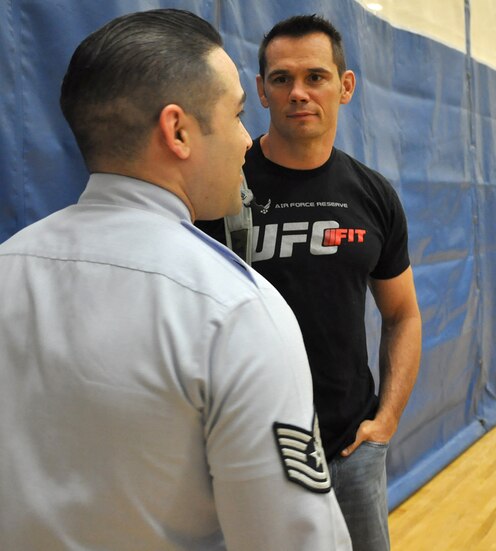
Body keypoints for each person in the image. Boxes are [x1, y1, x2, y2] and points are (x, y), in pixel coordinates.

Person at [0, 9, 351, 550]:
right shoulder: (235, 311)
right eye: (236, 115)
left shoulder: (9, 266)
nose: (245, 141)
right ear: (178, 130)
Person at [198, 14, 422, 551]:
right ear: (260, 91)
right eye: (282, 79)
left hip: (349, 450)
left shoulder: (373, 195)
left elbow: (403, 314)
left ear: (345, 88)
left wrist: (384, 422)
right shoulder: (217, 184)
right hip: (241, 450)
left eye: (315, 77)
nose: (299, 93)